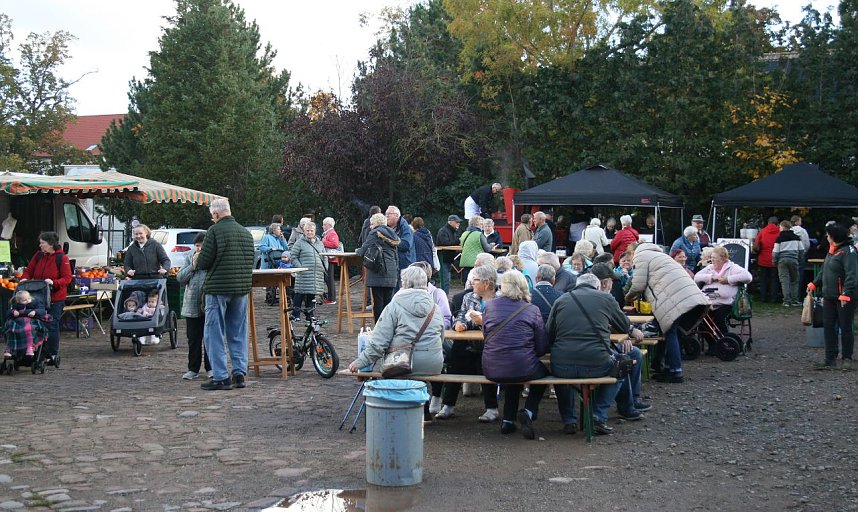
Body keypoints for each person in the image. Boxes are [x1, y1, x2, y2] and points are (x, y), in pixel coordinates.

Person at [547, 273, 636, 436]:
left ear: (576, 285)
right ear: (597, 286)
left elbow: (549, 333)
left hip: (562, 366)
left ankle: (569, 420)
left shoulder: (561, 300)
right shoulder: (605, 298)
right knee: (622, 366)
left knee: (562, 376)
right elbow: (623, 325)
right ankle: (598, 414)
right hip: (597, 364)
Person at [626, 243, 710, 383]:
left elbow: (638, 284)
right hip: (685, 294)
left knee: (670, 332)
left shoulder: (641, 256)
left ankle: (675, 371)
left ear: (633, 252)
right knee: (672, 332)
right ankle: (665, 367)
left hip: (672, 297)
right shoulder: (660, 255)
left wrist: (627, 297)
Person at [195, 198, 255, 391]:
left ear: (216, 214)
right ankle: (239, 373)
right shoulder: (246, 233)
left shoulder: (214, 231)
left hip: (218, 288)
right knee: (238, 332)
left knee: (214, 332)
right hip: (241, 289)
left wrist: (197, 259)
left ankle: (220, 376)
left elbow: (204, 262)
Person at [481, 270, 549, 439]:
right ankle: (529, 411)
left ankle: (508, 421)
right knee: (542, 376)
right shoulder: (532, 310)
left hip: (491, 367)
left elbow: (485, 335)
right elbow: (541, 347)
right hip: (522, 365)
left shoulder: (490, 306)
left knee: (512, 374)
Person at [348, 266, 444, 375]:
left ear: (404, 283)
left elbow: (379, 341)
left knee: (380, 370)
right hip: (433, 364)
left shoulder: (395, 305)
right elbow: (441, 338)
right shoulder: (435, 308)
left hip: (401, 363)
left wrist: (361, 362)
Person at [435, 265, 500, 422]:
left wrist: (482, 321)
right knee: (456, 359)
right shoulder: (469, 297)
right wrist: (460, 323)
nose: (471, 283)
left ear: (486, 283)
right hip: (469, 341)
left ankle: (492, 408)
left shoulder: (501, 298)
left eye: (475, 280)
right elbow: (462, 315)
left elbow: (501, 323)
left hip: (493, 343)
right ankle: (448, 406)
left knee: (485, 364)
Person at [808, 222, 857, 370]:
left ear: (834, 237)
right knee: (828, 326)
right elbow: (825, 270)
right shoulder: (832, 251)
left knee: (846, 327)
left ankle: (847, 358)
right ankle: (830, 358)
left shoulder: (849, 252)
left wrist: (846, 293)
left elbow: (852, 275)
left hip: (844, 297)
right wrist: (815, 283)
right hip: (829, 295)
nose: (827, 237)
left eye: (828, 235)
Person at [20, 231, 72, 364]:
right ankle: (36, 351)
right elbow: (29, 270)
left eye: (42, 243)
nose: (40, 245)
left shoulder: (62, 258)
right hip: (38, 297)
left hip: (55, 298)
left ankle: (52, 354)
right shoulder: (38, 256)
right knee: (36, 324)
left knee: (52, 325)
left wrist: (54, 282)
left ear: (50, 244)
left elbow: (67, 278)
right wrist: (24, 279)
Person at [694, 246, 753, 348]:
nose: (712, 260)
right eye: (711, 257)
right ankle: (713, 345)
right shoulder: (710, 268)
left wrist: (728, 279)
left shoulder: (732, 267)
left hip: (726, 303)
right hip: (708, 302)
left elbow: (748, 277)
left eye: (714, 258)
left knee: (719, 319)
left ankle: (726, 343)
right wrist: (711, 278)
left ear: (724, 258)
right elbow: (696, 277)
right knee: (701, 320)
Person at [176, 231, 211, 381]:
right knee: (193, 338)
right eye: (197, 246)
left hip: (209, 304)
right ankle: (193, 368)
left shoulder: (211, 260)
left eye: (202, 246)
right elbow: (180, 278)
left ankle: (211, 367)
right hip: (192, 304)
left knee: (210, 338)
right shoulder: (188, 258)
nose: (199, 249)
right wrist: (193, 266)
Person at [356, 213, 400, 322]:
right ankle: (389, 326)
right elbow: (396, 256)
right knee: (388, 302)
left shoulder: (375, 233)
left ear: (376, 224)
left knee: (378, 301)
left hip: (379, 271)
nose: (370, 226)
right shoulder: (393, 234)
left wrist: (358, 250)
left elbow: (363, 250)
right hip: (392, 271)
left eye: (372, 224)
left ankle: (379, 327)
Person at [289, 221, 329, 320]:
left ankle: (309, 315)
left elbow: (324, 256)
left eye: (311, 230)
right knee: (300, 294)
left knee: (311, 294)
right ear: (304, 231)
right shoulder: (299, 242)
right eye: (307, 230)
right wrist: (300, 267)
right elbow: (293, 256)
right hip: (304, 273)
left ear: (315, 231)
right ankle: (295, 314)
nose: (310, 232)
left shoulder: (320, 243)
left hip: (317, 273)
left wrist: (325, 267)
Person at [3, 290, 46, 358]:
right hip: (18, 321)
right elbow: (8, 312)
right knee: (11, 329)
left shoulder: (35, 302)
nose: (28, 300)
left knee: (28, 329)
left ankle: (30, 347)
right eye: (24, 300)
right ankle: (10, 349)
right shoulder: (15, 305)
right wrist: (13, 311)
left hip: (31, 320)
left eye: (29, 298)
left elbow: (42, 310)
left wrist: (35, 312)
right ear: (18, 301)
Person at [772, 220, 805, 307]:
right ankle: (795, 300)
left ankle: (786, 301)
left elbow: (775, 252)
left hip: (782, 261)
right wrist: (799, 259)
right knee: (795, 280)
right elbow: (802, 250)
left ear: (783, 227)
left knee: (784, 281)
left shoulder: (779, 238)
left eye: (780, 227)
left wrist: (774, 261)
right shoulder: (796, 237)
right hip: (794, 260)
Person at [754, 216, 781, 303]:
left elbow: (756, 245)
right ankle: (773, 298)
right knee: (774, 280)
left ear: (768, 222)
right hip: (775, 259)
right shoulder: (780, 232)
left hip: (763, 259)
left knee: (763, 279)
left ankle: (763, 297)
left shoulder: (762, 231)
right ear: (777, 223)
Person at [459, 215, 493, 284]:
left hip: (465, 260)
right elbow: (487, 249)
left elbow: (462, 245)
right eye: (481, 223)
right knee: (476, 282)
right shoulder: (479, 234)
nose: (483, 225)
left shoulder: (464, 233)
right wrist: (491, 245)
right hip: (476, 261)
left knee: (467, 282)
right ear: (478, 224)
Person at [436, 214, 461, 293]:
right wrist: (458, 241)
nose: (458, 224)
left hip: (448, 258)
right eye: (457, 222)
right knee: (445, 280)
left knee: (447, 280)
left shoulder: (451, 231)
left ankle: (444, 296)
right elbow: (445, 243)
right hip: (443, 258)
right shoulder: (443, 231)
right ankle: (443, 298)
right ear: (451, 222)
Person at [386, 206, 415, 273]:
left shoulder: (406, 229)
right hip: (392, 266)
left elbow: (406, 245)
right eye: (386, 214)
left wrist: (390, 242)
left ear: (397, 215)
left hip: (405, 267)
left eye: (389, 213)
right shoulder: (386, 228)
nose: (386, 216)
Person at [320, 217, 340, 305]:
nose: (323, 226)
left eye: (324, 224)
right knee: (329, 278)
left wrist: (324, 242)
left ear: (328, 225)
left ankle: (332, 298)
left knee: (330, 278)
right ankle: (331, 297)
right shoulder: (328, 233)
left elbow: (335, 244)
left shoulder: (331, 233)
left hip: (330, 258)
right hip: (329, 258)